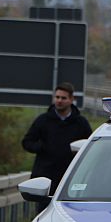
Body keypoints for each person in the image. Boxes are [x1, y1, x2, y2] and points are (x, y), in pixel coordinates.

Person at [22, 83, 92, 211]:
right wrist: (41, 147)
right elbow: (27, 142)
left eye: (63, 98)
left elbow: (90, 148)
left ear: (71, 100)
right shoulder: (43, 120)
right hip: (46, 178)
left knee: (70, 213)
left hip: (71, 178)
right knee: (44, 213)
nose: (59, 101)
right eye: (57, 97)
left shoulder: (81, 123)